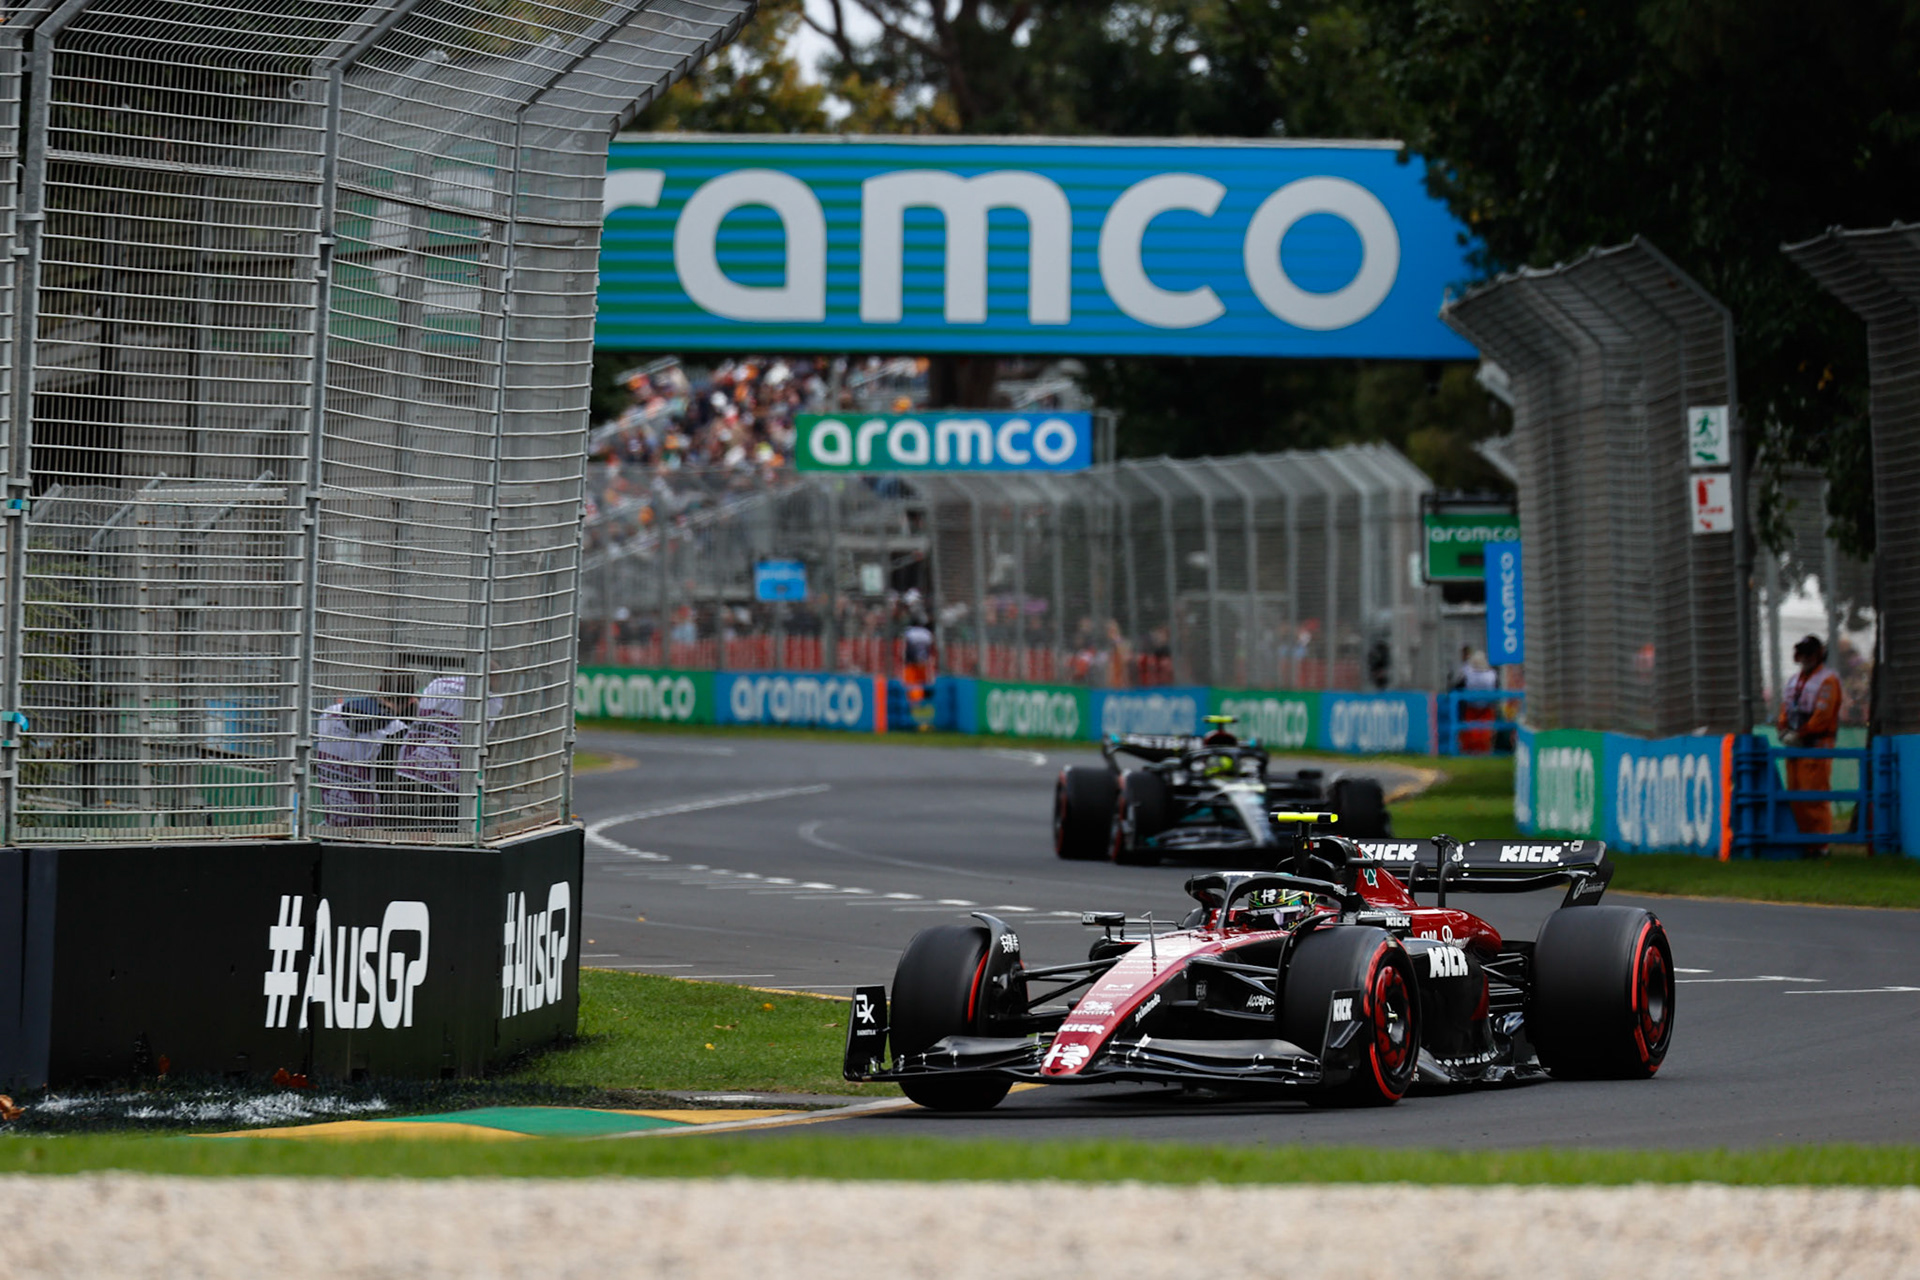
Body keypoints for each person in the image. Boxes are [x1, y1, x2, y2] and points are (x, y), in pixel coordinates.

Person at [396, 668, 505, 831]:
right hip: (449, 786)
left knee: (403, 824)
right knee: (443, 830)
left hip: (410, 770)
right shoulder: (491, 701)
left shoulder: (439, 683)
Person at [313, 673, 415, 828]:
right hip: (371, 830)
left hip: (332, 819)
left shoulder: (331, 713)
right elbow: (388, 785)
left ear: (379, 689)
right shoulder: (396, 730)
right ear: (410, 701)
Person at [1777, 634, 1844, 856]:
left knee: (1814, 796)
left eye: (1808, 653)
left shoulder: (1828, 680)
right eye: (1801, 653)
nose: (1804, 657)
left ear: (1818, 655)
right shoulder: (1793, 681)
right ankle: (1804, 843)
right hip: (1794, 746)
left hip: (1817, 746)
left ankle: (1820, 845)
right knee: (1795, 795)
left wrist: (1800, 733)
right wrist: (1783, 730)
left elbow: (1822, 717)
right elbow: (1785, 709)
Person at [1457, 650, 1499, 754]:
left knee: (1479, 731)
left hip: (1480, 707)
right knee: (1476, 731)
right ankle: (1475, 749)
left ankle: (1477, 749)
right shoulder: (1491, 675)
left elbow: (1458, 686)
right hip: (1477, 707)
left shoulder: (1469, 673)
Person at [900, 612, 936, 731]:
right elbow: (930, 650)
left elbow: (904, 650)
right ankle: (924, 720)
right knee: (923, 692)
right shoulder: (927, 634)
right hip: (923, 665)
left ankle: (913, 719)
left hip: (911, 665)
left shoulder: (909, 633)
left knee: (911, 692)